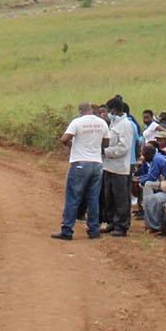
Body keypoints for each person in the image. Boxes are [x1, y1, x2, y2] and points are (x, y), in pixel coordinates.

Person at [55, 103, 109, 241]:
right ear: (91, 111)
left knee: (73, 197)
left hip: (80, 163)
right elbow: (107, 143)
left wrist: (73, 146)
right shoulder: (102, 123)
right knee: (93, 198)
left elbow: (64, 138)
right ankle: (93, 230)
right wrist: (95, 146)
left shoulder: (77, 122)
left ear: (80, 111)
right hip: (97, 164)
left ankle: (67, 230)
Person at [100, 97, 136, 237]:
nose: (107, 113)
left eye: (109, 110)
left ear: (114, 110)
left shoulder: (125, 125)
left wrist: (106, 152)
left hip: (120, 168)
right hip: (109, 166)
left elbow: (124, 147)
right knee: (110, 197)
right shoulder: (114, 122)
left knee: (121, 198)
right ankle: (112, 222)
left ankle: (121, 225)